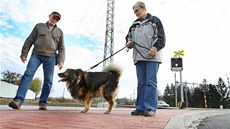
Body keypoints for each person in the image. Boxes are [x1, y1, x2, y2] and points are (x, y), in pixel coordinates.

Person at [8, 11, 65, 110]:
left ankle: (43, 102)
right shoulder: (39, 26)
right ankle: (18, 100)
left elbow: (62, 47)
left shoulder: (59, 32)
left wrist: (61, 60)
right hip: (36, 55)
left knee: (48, 80)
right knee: (28, 75)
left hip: (51, 57)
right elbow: (30, 39)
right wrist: (24, 53)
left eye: (57, 19)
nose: (54, 20)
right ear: (49, 16)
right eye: (53, 17)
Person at [126, 2, 166, 117]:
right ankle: (140, 108)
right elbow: (128, 37)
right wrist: (128, 43)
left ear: (144, 9)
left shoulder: (154, 20)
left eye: (137, 11)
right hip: (138, 57)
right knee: (141, 83)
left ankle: (150, 108)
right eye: (134, 12)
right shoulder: (134, 25)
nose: (136, 14)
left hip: (152, 57)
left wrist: (155, 48)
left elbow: (161, 37)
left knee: (150, 82)